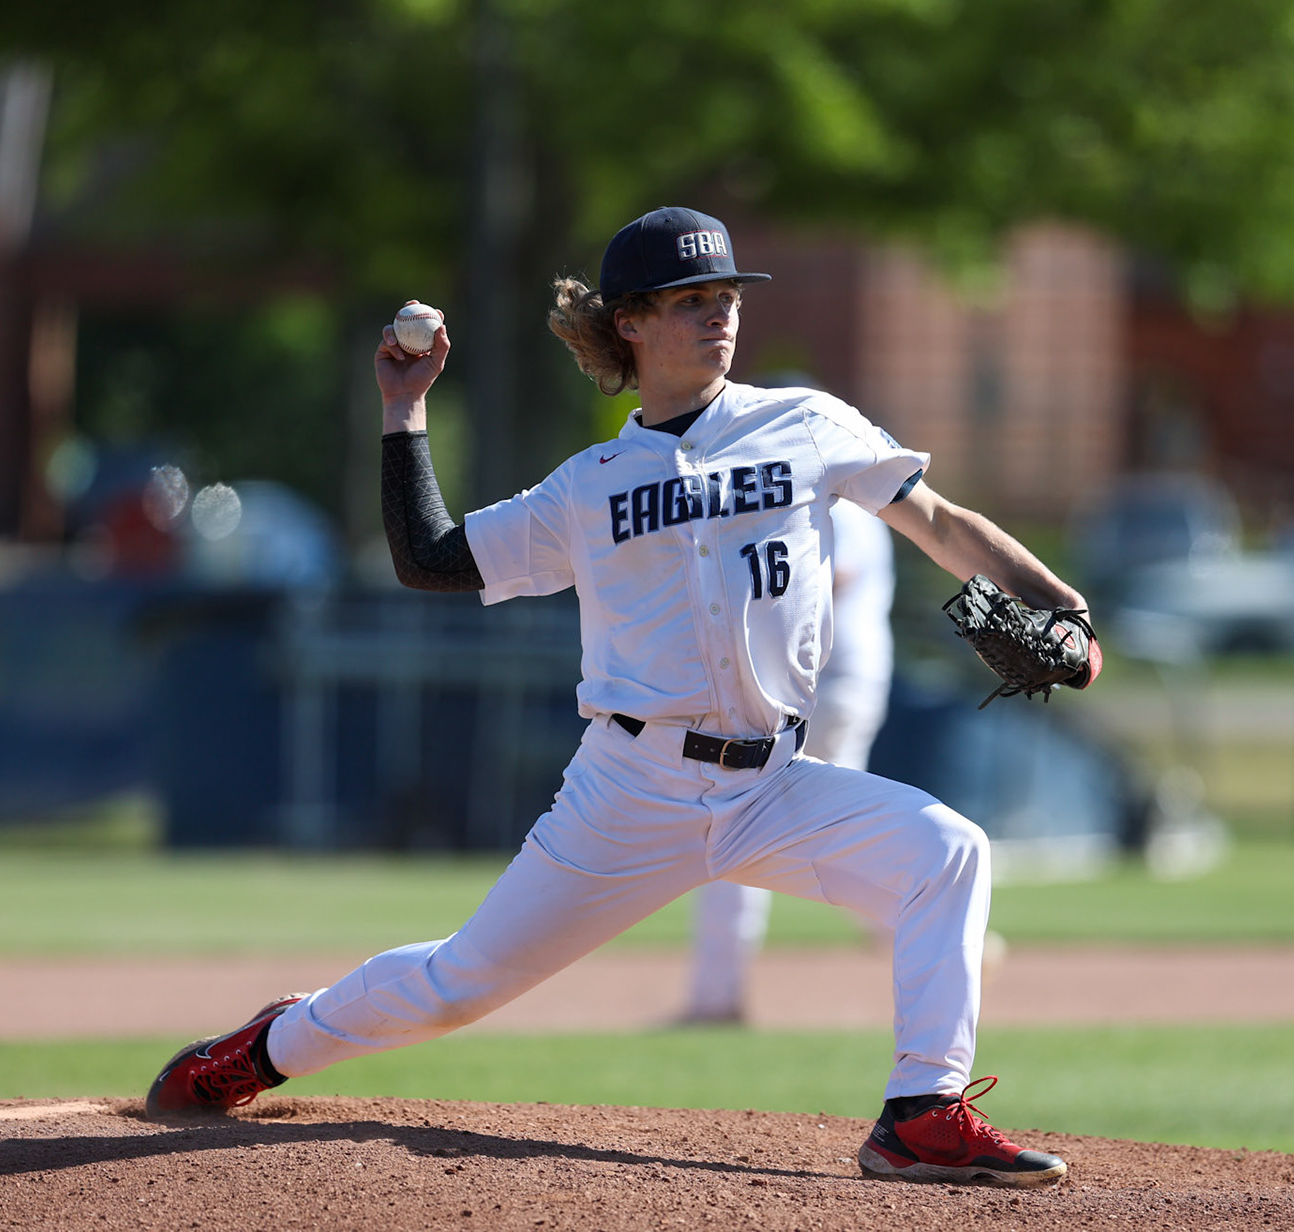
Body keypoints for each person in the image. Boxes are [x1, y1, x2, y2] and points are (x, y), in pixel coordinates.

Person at [144, 206, 1097, 1188]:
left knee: (948, 849)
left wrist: (1062, 606)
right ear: (631, 321)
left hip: (773, 785)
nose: (719, 315)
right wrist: (406, 411)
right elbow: (428, 558)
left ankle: (921, 1112)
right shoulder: (586, 486)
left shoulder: (806, 423)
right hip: (630, 789)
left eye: (726, 296)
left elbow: (940, 522)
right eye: (692, 300)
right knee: (458, 984)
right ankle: (263, 1047)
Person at [682, 494, 897, 1024]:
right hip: (823, 685)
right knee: (833, 838)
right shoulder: (842, 499)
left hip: (821, 686)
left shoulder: (841, 504)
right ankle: (925, 926)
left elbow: (832, 577)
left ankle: (717, 995)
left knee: (736, 824)